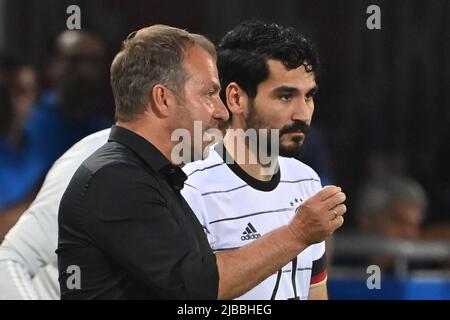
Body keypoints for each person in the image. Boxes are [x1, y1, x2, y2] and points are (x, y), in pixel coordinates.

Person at [57, 24, 346, 300]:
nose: (221, 111)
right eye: (209, 93)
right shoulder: (115, 179)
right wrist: (297, 233)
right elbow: (196, 288)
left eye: (309, 96)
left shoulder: (157, 177)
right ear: (163, 99)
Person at [181, 21, 337, 300]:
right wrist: (297, 233)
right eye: (285, 96)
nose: (302, 113)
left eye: (309, 96)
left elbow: (315, 292)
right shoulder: (193, 190)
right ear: (236, 98)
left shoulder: (308, 181)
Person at [0, 30, 111, 218]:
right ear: (52, 65)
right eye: (75, 61)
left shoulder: (106, 132)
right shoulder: (35, 128)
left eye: (94, 62)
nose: (85, 72)